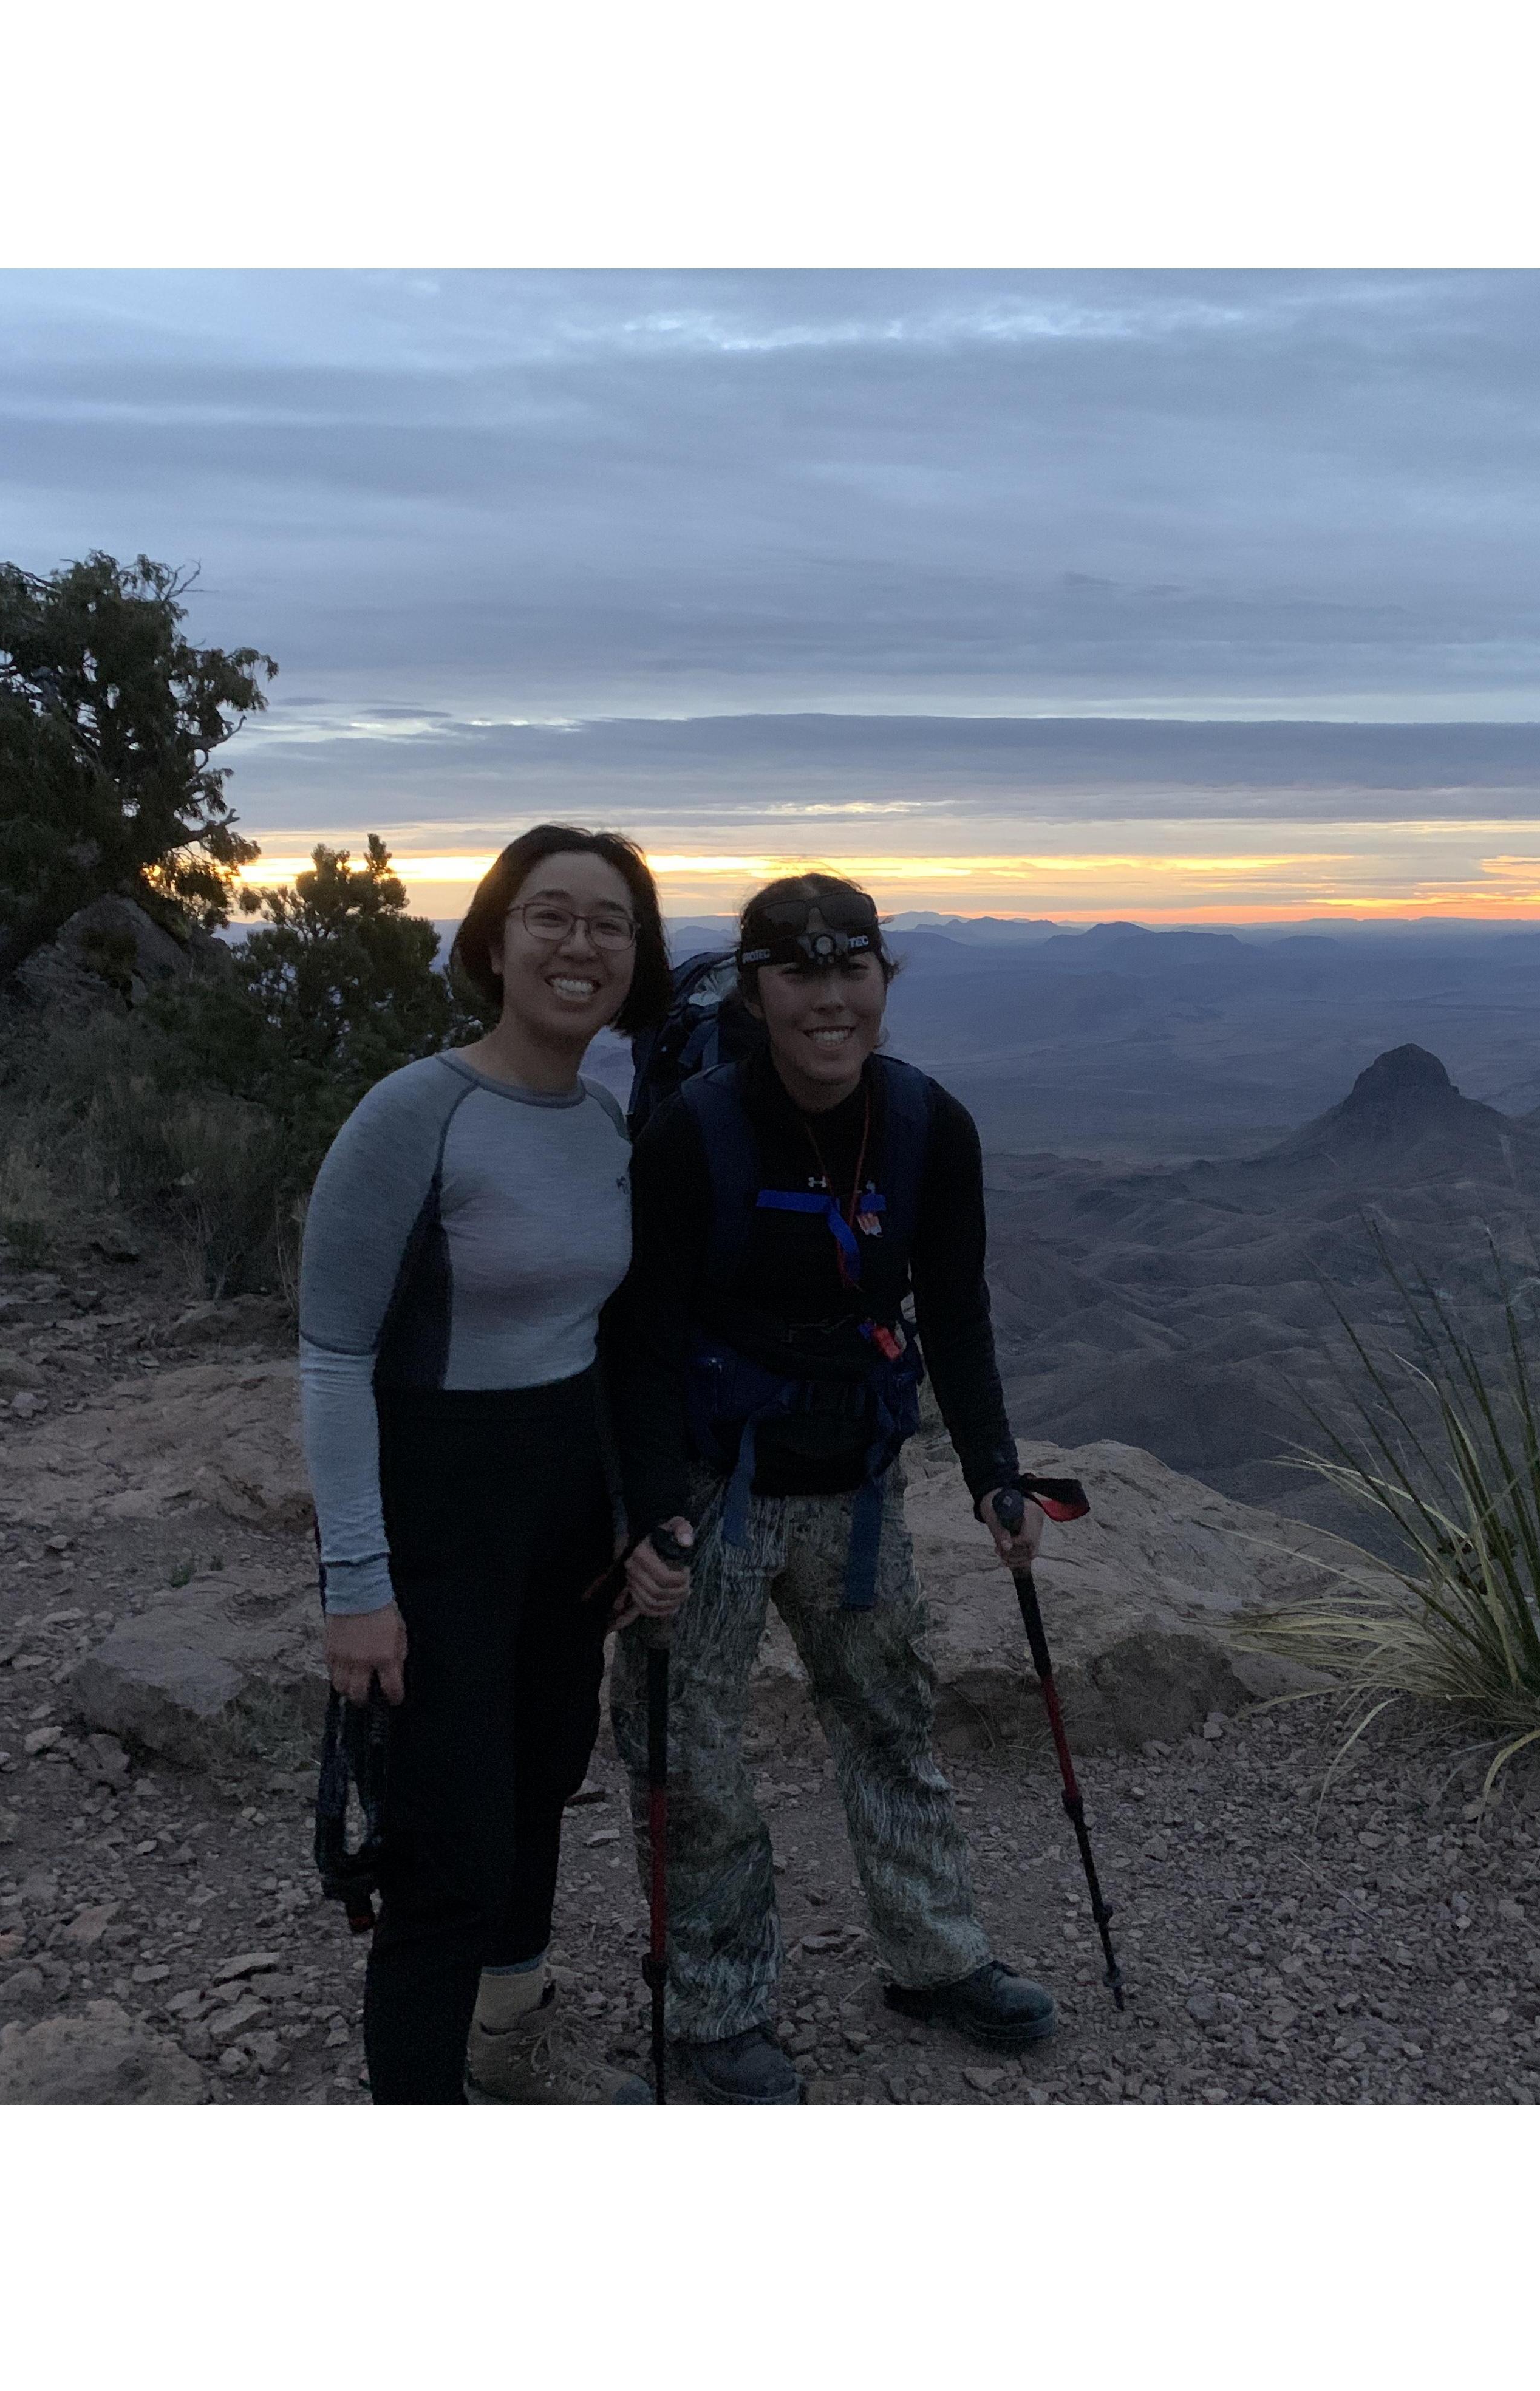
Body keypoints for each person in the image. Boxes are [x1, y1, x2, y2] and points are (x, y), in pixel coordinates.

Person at [607, 871, 1055, 2103]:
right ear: (756, 989)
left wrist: (992, 1474)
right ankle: (713, 2010)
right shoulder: (692, 1135)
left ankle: (933, 1957)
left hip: (857, 1492)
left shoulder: (928, 1127)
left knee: (891, 1725)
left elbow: (953, 1313)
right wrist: (650, 1514)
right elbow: (639, 1339)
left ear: (883, 983)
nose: (830, 998)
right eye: (799, 972)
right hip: (713, 1491)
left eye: (852, 969)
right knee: (691, 1758)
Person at [299, 824, 679, 2105]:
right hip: (440, 1509)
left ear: (638, 956)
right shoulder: (417, 1113)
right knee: (442, 1842)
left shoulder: (600, 1122)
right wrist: (357, 1580)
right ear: (497, 940)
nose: (582, 945)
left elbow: (603, 1342)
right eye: (553, 916)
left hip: (564, 1507)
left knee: (537, 1787)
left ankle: (506, 2042)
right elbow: (334, 1352)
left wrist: (635, 1517)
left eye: (612, 924)